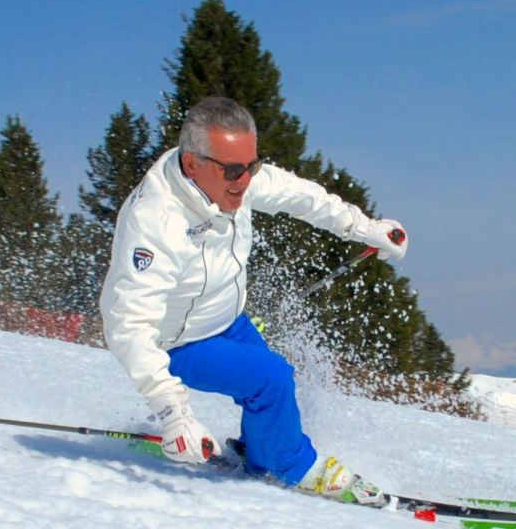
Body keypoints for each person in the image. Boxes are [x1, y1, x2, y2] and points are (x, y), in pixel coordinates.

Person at [100, 96, 407, 504]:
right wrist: (172, 411)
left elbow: (299, 195)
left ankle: (261, 451)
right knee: (270, 378)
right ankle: (288, 464)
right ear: (192, 164)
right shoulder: (156, 221)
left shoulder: (228, 174)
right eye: (233, 170)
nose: (244, 181)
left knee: (275, 381)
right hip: (176, 343)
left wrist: (364, 228)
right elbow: (128, 324)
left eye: (252, 166)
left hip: (227, 320)